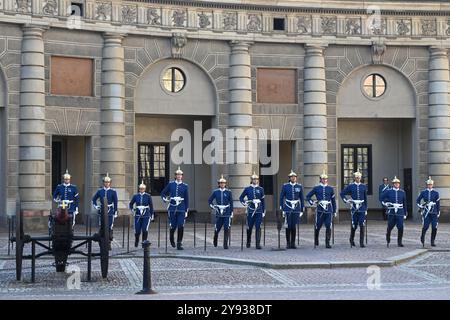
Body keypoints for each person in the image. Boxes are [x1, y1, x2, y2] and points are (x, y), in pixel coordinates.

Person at [306, 171, 336, 249]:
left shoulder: (330, 189)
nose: (324, 180)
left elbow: (333, 201)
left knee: (328, 225)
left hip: (328, 209)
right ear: (320, 180)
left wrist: (334, 211)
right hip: (320, 210)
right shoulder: (316, 188)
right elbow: (308, 196)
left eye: (326, 179)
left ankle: (327, 242)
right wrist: (312, 202)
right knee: (317, 226)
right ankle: (316, 240)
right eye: (323, 179)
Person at [161, 167, 189, 250]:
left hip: (181, 207)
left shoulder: (185, 186)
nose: (179, 176)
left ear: (182, 176)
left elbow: (187, 198)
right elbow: (163, 193)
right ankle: (171, 238)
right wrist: (165, 199)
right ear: (175, 176)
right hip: (172, 207)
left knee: (181, 225)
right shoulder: (171, 184)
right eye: (177, 175)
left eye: (180, 175)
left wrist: (186, 209)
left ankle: (179, 243)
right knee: (173, 226)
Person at [340, 171, 368, 248]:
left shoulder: (363, 186)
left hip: (362, 207)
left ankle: (361, 242)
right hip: (354, 208)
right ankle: (351, 239)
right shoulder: (351, 186)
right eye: (356, 177)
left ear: (361, 178)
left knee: (362, 224)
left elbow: (365, 198)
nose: (358, 179)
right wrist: (346, 200)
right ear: (354, 178)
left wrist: (366, 209)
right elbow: (342, 193)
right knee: (354, 225)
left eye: (359, 177)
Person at [239, 172, 266, 249]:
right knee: (249, 227)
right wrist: (245, 203)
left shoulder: (261, 189)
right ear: (251, 180)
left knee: (258, 226)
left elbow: (263, 201)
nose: (255, 180)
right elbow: (241, 198)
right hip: (250, 210)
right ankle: (248, 241)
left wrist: (263, 210)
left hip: (259, 210)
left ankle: (258, 244)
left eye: (256, 179)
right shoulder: (247, 189)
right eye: (254, 179)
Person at [279, 170, 304, 249]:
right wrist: (282, 207)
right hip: (288, 206)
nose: (293, 178)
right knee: (288, 226)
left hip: (296, 207)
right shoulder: (285, 186)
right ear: (289, 178)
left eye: (295, 177)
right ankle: (288, 243)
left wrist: (302, 209)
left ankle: (293, 243)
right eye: (292, 177)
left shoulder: (299, 186)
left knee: (293, 226)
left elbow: (302, 198)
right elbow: (281, 197)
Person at [92, 173, 118, 248]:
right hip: (102, 210)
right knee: (102, 226)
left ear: (110, 183)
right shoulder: (100, 191)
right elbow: (94, 199)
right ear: (103, 183)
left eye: (108, 182)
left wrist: (115, 211)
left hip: (110, 210)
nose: (107, 184)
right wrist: (96, 206)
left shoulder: (113, 191)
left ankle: (108, 242)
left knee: (109, 226)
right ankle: (102, 241)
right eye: (105, 182)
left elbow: (115, 202)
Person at [380, 176, 407, 247]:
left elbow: (404, 203)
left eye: (398, 183)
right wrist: (386, 203)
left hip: (400, 211)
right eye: (395, 183)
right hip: (392, 211)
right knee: (390, 226)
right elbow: (381, 198)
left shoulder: (402, 192)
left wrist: (405, 213)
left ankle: (399, 242)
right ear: (393, 184)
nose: (397, 184)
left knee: (400, 227)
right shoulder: (388, 191)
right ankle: (388, 237)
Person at [208, 175, 234, 249]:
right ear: (219, 184)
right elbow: (210, 200)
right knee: (217, 228)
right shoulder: (215, 192)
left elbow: (231, 202)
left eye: (223, 183)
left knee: (226, 227)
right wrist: (213, 206)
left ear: (225, 184)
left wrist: (231, 212)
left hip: (226, 212)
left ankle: (225, 243)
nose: (222, 184)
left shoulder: (228, 192)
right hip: (219, 212)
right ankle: (215, 237)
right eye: (221, 183)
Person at [416, 176, 440, 247]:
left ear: (432, 185)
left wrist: (438, 211)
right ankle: (422, 237)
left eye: (431, 184)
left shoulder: (436, 193)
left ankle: (432, 241)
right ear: (427, 185)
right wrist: (420, 206)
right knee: (425, 226)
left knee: (434, 227)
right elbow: (418, 200)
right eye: (428, 184)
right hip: (426, 212)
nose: (430, 186)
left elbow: (438, 203)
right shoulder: (423, 192)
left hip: (434, 212)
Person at [129, 181, 154, 248]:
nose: (141, 190)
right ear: (139, 189)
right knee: (137, 230)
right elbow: (131, 204)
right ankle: (137, 240)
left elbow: (151, 206)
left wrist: (152, 214)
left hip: (146, 214)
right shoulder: (136, 196)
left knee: (144, 229)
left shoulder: (148, 196)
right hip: (137, 214)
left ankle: (144, 242)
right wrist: (132, 210)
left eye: (143, 189)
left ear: (145, 189)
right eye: (140, 189)